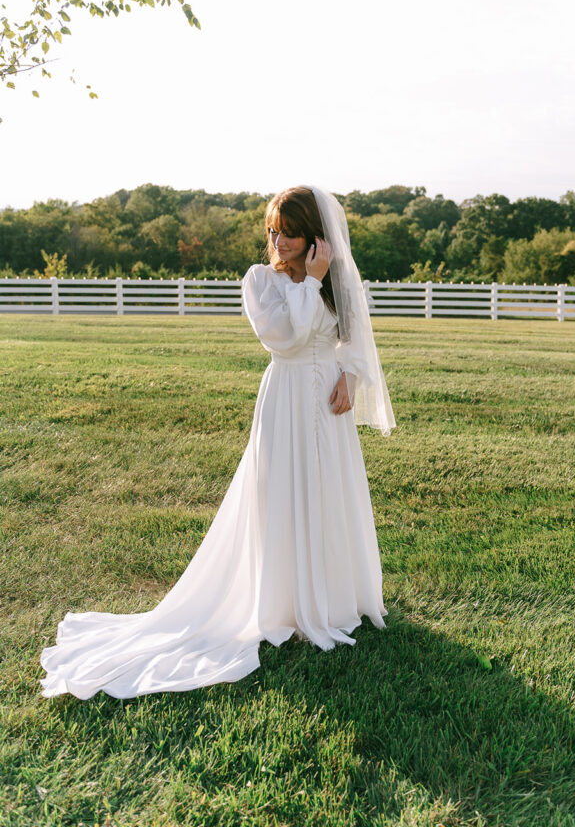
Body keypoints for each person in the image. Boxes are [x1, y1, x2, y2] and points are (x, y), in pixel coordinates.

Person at [40, 185, 395, 700]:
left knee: (328, 492)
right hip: (286, 398)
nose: (279, 240)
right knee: (283, 493)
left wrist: (351, 377)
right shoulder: (259, 281)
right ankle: (284, 602)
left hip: (327, 404)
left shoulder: (334, 278)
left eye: (290, 231)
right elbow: (286, 339)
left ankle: (335, 597)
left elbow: (353, 335)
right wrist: (308, 281)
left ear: (313, 232)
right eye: (273, 230)